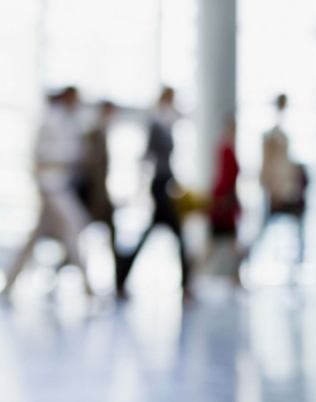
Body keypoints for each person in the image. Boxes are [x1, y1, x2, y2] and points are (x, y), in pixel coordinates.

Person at [2, 87, 93, 298]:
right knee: (74, 228)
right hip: (52, 187)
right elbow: (44, 156)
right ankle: (88, 287)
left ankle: (9, 284)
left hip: (60, 186)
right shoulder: (51, 121)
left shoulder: (70, 121)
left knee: (36, 238)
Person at [115, 86, 191, 299]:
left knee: (152, 235)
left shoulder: (166, 123)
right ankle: (185, 284)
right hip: (160, 186)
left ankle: (122, 278)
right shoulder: (157, 123)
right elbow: (149, 156)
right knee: (176, 235)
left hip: (165, 184)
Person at [259, 94, 308, 265]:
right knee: (264, 228)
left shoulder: (282, 135)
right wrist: (272, 190)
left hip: (285, 189)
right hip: (276, 190)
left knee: (297, 225)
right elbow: (268, 166)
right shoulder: (271, 137)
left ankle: (298, 261)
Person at [202, 116, 242, 285]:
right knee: (214, 244)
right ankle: (193, 274)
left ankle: (237, 278)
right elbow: (225, 177)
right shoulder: (225, 148)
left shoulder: (229, 148)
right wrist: (224, 200)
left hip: (227, 201)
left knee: (231, 243)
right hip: (223, 202)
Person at [80, 101, 119, 259]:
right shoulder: (94, 133)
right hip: (93, 192)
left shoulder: (102, 132)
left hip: (99, 191)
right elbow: (92, 167)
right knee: (76, 228)